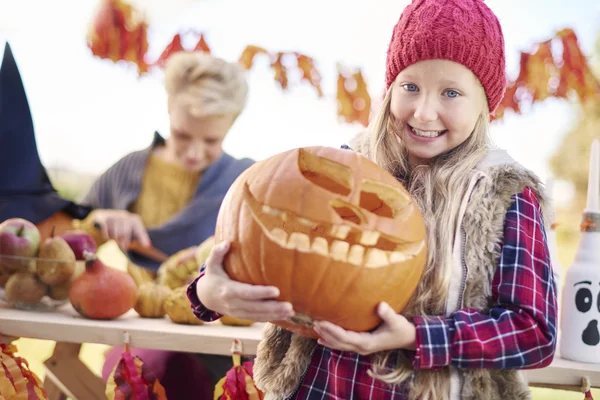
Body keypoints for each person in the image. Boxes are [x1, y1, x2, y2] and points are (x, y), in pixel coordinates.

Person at [187, 0, 558, 399]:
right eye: (410, 87)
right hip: (320, 388)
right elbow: (261, 245)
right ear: (390, 88)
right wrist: (209, 293)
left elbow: (533, 332)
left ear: (484, 104)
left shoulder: (506, 194)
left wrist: (417, 337)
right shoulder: (341, 168)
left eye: (451, 92)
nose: (424, 112)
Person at [76, 50, 254, 399]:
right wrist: (100, 220)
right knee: (154, 369)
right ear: (169, 107)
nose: (193, 152)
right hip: (145, 335)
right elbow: (65, 247)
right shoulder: (128, 172)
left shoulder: (243, 181)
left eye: (211, 142)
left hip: (222, 339)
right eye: (183, 135)